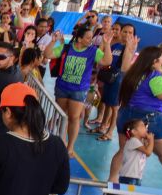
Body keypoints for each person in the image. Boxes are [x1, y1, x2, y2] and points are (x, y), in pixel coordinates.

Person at [44, 25, 113, 156]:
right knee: (62, 115)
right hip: (62, 87)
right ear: (79, 39)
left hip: (79, 90)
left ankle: (70, 147)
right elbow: (47, 54)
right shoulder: (66, 48)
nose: (90, 40)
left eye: (91, 38)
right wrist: (53, 41)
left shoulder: (93, 51)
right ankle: (63, 142)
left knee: (74, 118)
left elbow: (106, 61)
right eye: (88, 38)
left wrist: (107, 44)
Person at [108, 44, 162, 180]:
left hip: (125, 115)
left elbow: (124, 68)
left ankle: (112, 181)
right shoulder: (156, 76)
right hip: (148, 118)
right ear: (155, 61)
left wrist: (129, 51)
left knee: (124, 150)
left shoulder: (134, 73)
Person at [118, 119, 154, 185]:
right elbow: (148, 152)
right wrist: (151, 140)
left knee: (131, 194)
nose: (145, 128)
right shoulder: (133, 141)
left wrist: (147, 142)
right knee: (128, 194)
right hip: (129, 177)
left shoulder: (139, 142)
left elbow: (147, 154)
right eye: (142, 126)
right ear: (134, 131)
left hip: (136, 177)